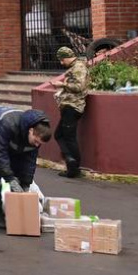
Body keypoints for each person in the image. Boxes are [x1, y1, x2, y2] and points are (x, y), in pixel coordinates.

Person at [0, 107, 52, 229]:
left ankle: (15, 214)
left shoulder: (35, 138)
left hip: (10, 137)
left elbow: (29, 161)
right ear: (31, 131)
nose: (37, 145)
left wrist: (26, 184)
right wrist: (10, 178)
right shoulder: (8, 124)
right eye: (36, 141)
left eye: (39, 144)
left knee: (18, 172)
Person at [51, 46, 88, 178]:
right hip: (69, 106)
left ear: (66, 57)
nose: (62, 63)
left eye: (62, 60)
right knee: (60, 135)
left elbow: (79, 87)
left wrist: (62, 85)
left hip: (73, 107)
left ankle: (73, 167)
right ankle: (71, 162)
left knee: (68, 137)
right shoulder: (74, 68)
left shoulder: (78, 67)